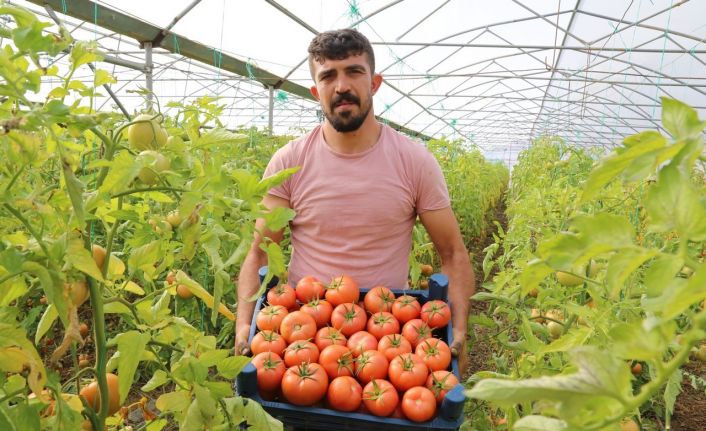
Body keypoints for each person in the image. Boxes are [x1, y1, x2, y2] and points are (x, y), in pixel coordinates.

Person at [234, 28, 474, 372]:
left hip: (388, 337)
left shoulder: (414, 161)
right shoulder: (290, 162)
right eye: (328, 76)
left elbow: (452, 253)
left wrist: (459, 327)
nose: (341, 86)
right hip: (305, 337)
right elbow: (259, 251)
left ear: (374, 83)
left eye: (354, 72)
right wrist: (245, 324)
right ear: (316, 91)